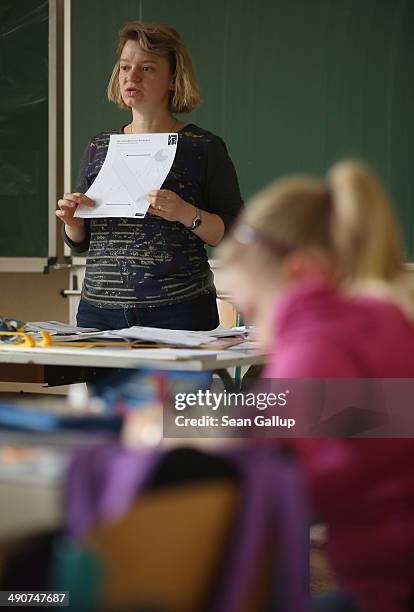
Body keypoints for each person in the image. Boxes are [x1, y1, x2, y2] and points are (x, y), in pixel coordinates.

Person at [220, 161, 414, 612]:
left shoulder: (315, 345)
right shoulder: (380, 318)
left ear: (301, 272)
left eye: (255, 309)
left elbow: (267, 440)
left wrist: (167, 422)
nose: (258, 333)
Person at [57, 21, 242, 332]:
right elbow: (82, 241)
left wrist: (187, 213)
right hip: (99, 316)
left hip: (178, 314)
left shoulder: (202, 147)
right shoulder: (100, 146)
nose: (132, 76)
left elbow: (235, 233)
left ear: (173, 79)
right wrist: (74, 223)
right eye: (125, 67)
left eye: (147, 68)